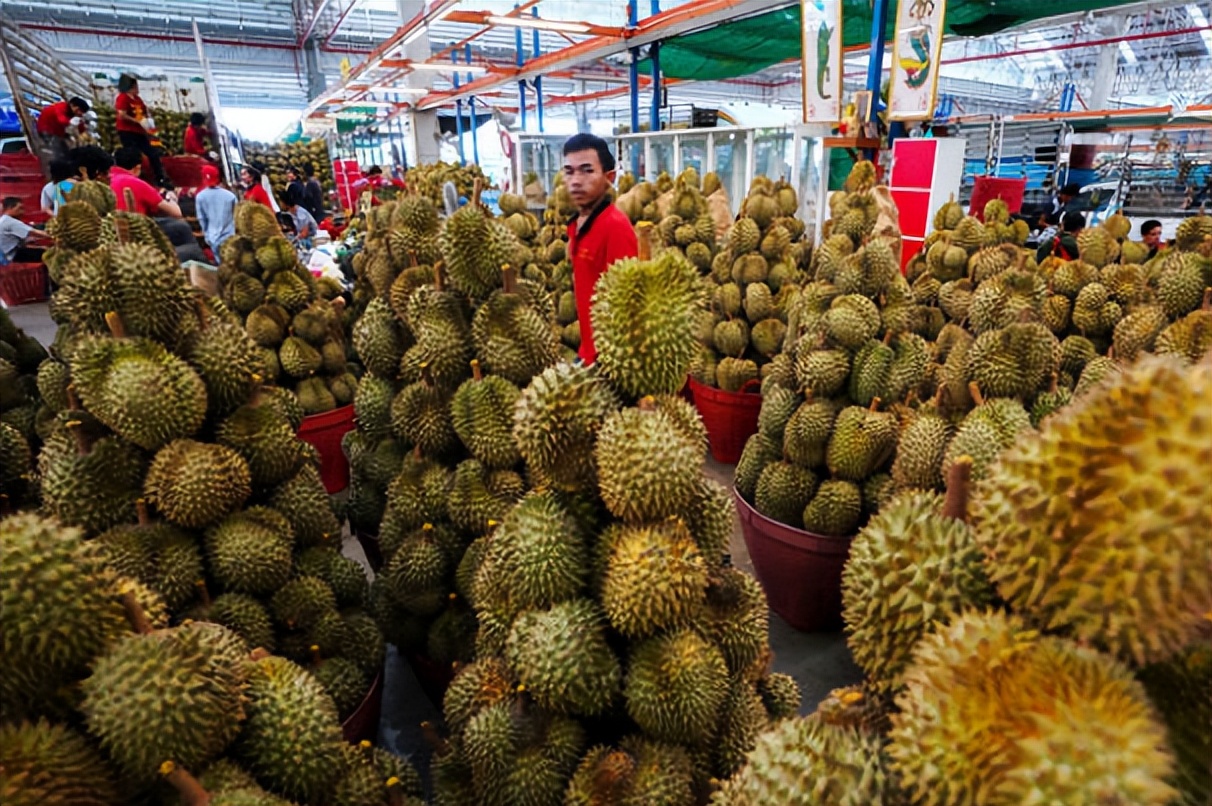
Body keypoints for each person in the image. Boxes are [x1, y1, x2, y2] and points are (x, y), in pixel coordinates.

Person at [563, 133, 638, 364]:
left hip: (607, 360)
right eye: (569, 171)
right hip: (587, 352)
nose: (576, 180)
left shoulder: (615, 227)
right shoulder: (576, 224)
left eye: (587, 170)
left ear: (610, 177)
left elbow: (628, 305)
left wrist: (607, 364)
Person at [110, 146, 205, 263]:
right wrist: (171, 199)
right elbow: (176, 213)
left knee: (178, 226)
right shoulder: (135, 182)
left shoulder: (108, 180)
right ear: (137, 168)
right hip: (138, 243)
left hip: (120, 239)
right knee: (190, 246)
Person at [114, 75, 169, 187]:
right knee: (133, 155)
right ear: (131, 86)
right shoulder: (123, 98)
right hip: (127, 131)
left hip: (140, 132)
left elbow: (145, 111)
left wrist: (148, 121)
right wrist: (137, 121)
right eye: (136, 85)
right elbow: (122, 115)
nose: (138, 88)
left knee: (152, 153)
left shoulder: (137, 99)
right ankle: (134, 179)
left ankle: (160, 179)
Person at [195, 164, 236, 256]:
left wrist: (206, 234)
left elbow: (201, 218)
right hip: (230, 236)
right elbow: (236, 215)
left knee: (220, 263)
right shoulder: (230, 196)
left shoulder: (200, 197)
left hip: (212, 237)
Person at [36, 97, 90, 162]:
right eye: (80, 110)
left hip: (58, 133)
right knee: (58, 151)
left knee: (67, 150)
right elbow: (61, 120)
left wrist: (83, 129)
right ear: (72, 105)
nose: (80, 113)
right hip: (47, 131)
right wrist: (72, 121)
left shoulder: (74, 114)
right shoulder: (60, 107)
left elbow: (80, 127)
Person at [0, 198, 53, 263]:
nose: (23, 212)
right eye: (20, 208)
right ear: (10, 208)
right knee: (51, 254)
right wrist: (58, 235)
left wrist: (40, 247)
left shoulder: (4, 219)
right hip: (13, 256)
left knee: (44, 248)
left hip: (10, 253)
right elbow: (37, 233)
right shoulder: (10, 222)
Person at [284, 185, 317, 250]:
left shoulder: (301, 213)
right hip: (300, 238)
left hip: (311, 238)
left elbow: (304, 233)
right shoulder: (290, 213)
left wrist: (293, 241)